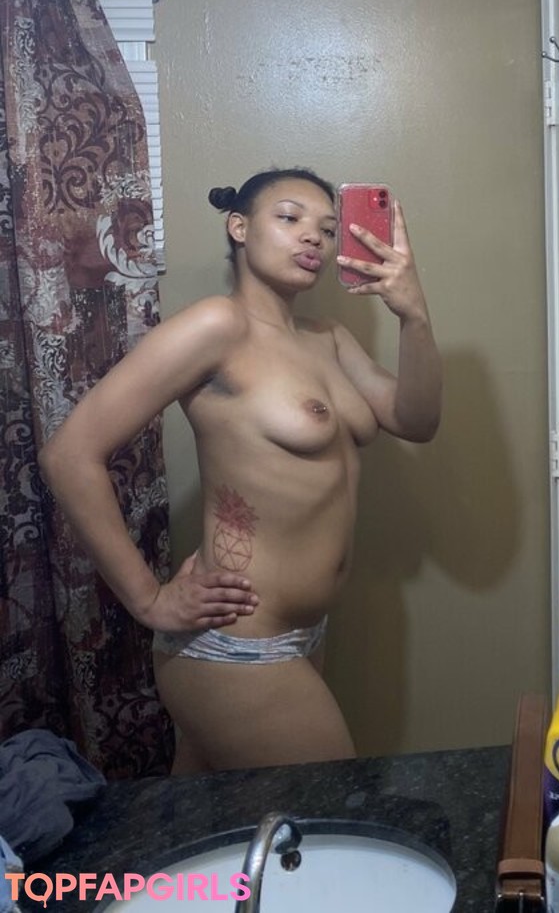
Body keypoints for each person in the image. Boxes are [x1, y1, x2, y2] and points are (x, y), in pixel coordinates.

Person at [39, 167, 441, 773]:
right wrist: (149, 600)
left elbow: (417, 419)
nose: (313, 237)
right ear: (239, 227)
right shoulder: (217, 326)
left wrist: (414, 315)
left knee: (216, 826)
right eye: (289, 218)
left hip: (306, 634)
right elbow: (69, 455)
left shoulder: (328, 339)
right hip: (233, 644)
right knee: (333, 815)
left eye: (327, 228)